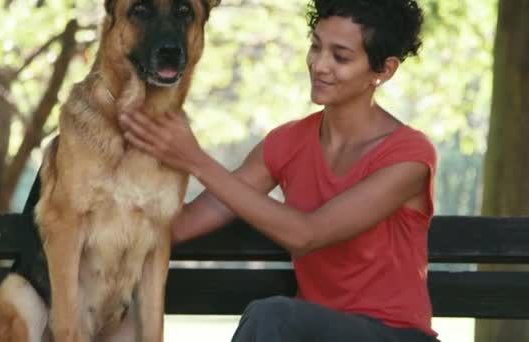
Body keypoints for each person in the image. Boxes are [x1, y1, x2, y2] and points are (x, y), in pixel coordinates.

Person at [119, 0, 440, 341]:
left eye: (340, 56)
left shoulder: (408, 156)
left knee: (272, 315)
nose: (319, 65)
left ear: (385, 70)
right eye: (316, 46)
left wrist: (196, 160)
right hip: (308, 332)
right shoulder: (287, 143)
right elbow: (185, 223)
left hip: (394, 335)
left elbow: (307, 235)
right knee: (277, 318)